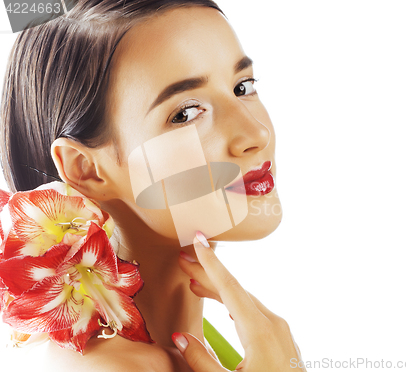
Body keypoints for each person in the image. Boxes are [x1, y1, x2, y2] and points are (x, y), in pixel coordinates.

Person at [0, 0, 304, 371]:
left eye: (243, 87)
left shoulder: (210, 349)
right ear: (86, 169)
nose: (254, 134)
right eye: (186, 113)